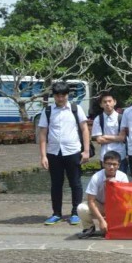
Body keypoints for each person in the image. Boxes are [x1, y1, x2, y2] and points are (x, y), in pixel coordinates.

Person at [38, 81, 91, 225]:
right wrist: (43, 155)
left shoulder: (75, 109)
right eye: (57, 96)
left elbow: (85, 129)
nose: (60, 98)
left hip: (73, 151)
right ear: (54, 96)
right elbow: (43, 133)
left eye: (63, 95)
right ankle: (56, 213)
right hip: (54, 152)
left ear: (67, 95)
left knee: (75, 183)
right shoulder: (48, 111)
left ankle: (76, 212)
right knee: (56, 184)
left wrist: (86, 151)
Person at [77, 151, 129, 238]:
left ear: (118, 165)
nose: (111, 167)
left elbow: (126, 199)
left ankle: (115, 224)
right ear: (103, 164)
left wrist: (116, 186)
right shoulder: (96, 177)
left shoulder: (123, 177)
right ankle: (89, 228)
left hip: (116, 206)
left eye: (114, 164)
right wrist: (101, 220)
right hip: (100, 204)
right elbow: (91, 201)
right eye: (108, 164)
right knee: (81, 208)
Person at [90, 90, 128, 174]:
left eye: (110, 101)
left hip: (120, 154)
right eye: (105, 102)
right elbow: (99, 140)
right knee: (106, 182)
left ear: (114, 102)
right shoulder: (98, 119)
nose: (107, 104)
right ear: (101, 104)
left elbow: (122, 138)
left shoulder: (121, 118)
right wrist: (116, 138)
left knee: (121, 181)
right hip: (105, 155)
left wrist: (105, 136)